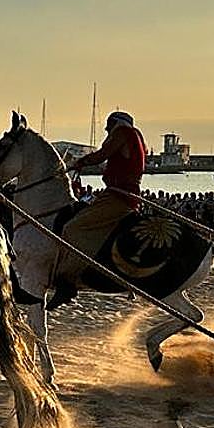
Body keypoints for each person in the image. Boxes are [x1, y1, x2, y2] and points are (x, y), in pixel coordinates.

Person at [57, 110, 148, 306]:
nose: (106, 131)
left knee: (72, 228)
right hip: (120, 194)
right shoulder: (137, 136)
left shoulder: (123, 131)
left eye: (108, 126)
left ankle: (68, 280)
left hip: (118, 197)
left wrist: (78, 162)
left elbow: (101, 155)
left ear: (114, 122)